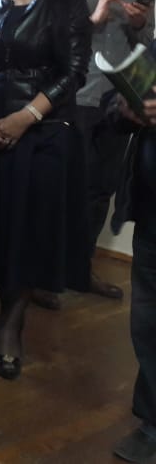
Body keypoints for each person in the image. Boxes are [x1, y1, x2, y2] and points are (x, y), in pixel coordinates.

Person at [0, 0, 92, 380]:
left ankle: (11, 327)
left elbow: (74, 72)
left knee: (28, 233)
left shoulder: (66, 2)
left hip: (44, 132)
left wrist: (26, 117)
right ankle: (3, 315)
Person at [59, 0, 156, 303]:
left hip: (120, 101)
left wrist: (139, 25)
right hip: (77, 97)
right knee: (67, 189)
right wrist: (93, 20)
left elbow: (147, 44)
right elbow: (54, 37)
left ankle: (81, 270)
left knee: (102, 191)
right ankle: (47, 275)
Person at [110, 85, 156, 462]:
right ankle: (152, 422)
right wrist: (126, 109)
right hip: (151, 211)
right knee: (148, 323)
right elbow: (113, 111)